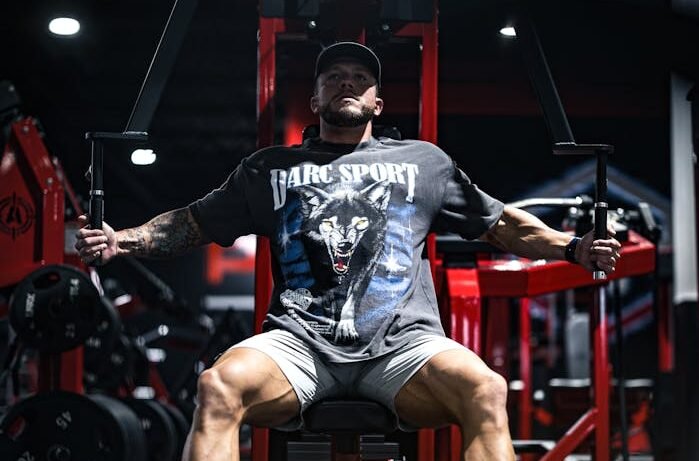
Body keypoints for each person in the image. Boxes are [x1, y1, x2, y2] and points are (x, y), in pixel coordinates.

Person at [75, 42, 621, 460]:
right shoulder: (269, 168)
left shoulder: (423, 162)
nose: (347, 84)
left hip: (402, 346)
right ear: (314, 99)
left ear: (377, 102)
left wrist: (572, 248)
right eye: (334, 77)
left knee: (485, 388)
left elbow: (500, 223)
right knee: (218, 385)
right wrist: (122, 239)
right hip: (299, 344)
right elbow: (193, 222)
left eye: (360, 79)